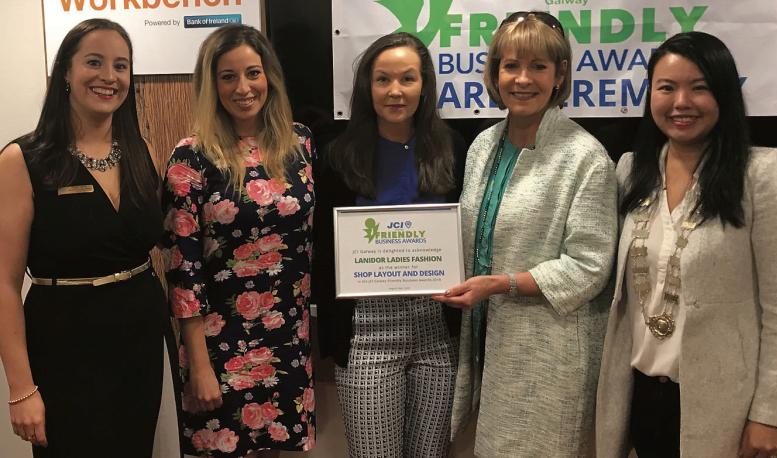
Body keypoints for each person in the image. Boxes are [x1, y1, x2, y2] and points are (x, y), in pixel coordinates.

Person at [595, 31, 777, 458]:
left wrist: (771, 411)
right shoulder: (631, 171)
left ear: (724, 94)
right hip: (642, 399)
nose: (680, 102)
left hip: (730, 407)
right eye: (667, 88)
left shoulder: (760, 173)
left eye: (699, 87)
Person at [434, 12, 617, 457]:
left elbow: (589, 267)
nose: (522, 79)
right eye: (511, 65)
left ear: (559, 76)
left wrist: (501, 284)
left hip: (547, 349)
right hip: (484, 342)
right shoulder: (483, 145)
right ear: (495, 73)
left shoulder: (585, 157)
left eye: (538, 66)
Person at [0, 18, 170, 457]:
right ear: (66, 74)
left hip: (138, 342)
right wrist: (21, 388)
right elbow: (2, 283)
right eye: (94, 62)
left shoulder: (143, 151)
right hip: (63, 346)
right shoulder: (23, 160)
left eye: (121, 65)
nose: (109, 77)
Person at [162, 24, 315, 457]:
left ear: (270, 76)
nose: (243, 87)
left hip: (288, 336)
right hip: (218, 345)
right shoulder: (190, 157)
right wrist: (200, 367)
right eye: (228, 76)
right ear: (211, 85)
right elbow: (183, 268)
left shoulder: (300, 143)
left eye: (252, 73)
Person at [313, 32, 466, 458]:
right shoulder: (338, 156)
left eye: (407, 79)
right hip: (366, 330)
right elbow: (324, 254)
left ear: (425, 85)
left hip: (437, 327)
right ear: (368, 87)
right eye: (383, 80)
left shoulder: (452, 149)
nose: (395, 91)